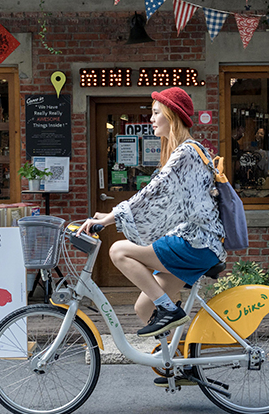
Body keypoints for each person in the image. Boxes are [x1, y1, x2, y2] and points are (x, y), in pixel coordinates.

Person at [79, 87, 226, 338]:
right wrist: (113, 215)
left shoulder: (186, 152)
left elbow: (152, 193)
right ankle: (179, 364)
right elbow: (165, 203)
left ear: (171, 116)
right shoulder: (188, 151)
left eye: (156, 113)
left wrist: (110, 217)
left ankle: (169, 309)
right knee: (144, 306)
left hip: (197, 244)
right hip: (197, 242)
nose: (150, 119)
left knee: (118, 250)